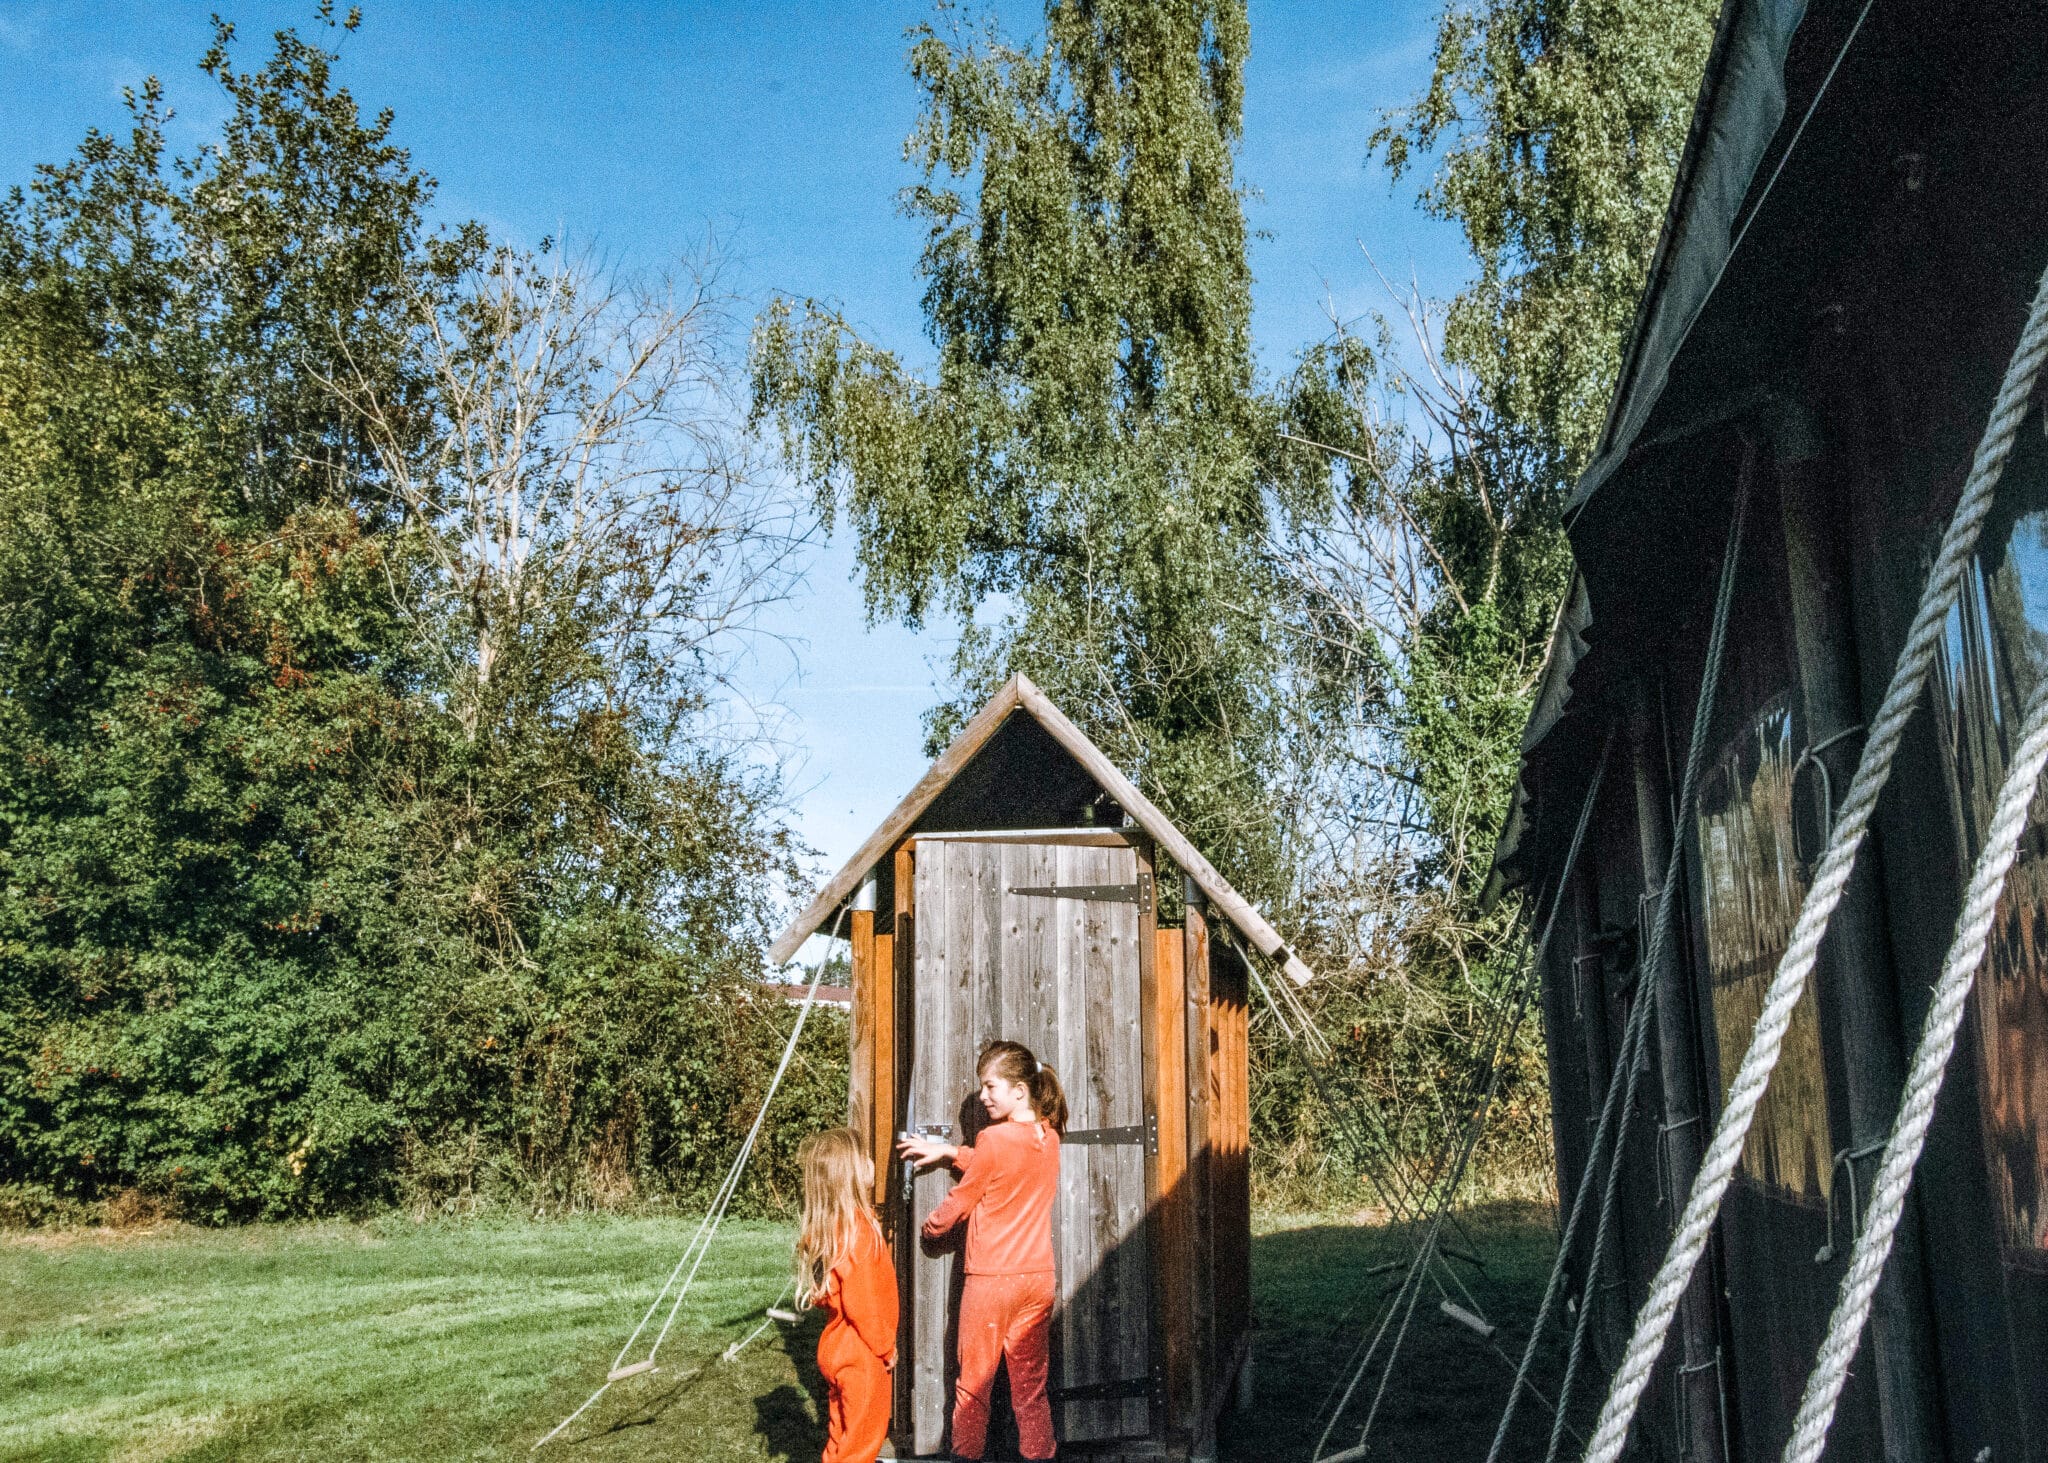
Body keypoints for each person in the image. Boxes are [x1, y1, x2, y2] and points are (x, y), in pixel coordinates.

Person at [898, 1039, 1066, 1462]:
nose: (984, 1096)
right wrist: (952, 1150)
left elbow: (961, 1201)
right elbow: (1003, 1162)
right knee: (1031, 1390)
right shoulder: (1049, 1138)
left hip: (992, 1282)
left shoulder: (993, 1139)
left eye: (991, 1087)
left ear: (1019, 1091)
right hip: (1038, 1280)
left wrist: (929, 1228)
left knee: (973, 1388)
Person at [796, 1128, 899, 1463]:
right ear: (852, 1173)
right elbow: (864, 1305)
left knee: (841, 1440)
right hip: (863, 1357)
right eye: (864, 1157)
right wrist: (885, 1347)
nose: (872, 1162)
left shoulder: (834, 1229)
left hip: (837, 1350)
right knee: (860, 1446)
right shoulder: (858, 1234)